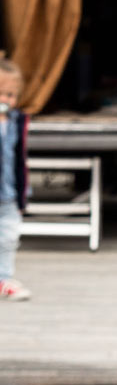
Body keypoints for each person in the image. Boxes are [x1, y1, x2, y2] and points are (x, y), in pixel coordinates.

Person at [0, 56, 30, 302]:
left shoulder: (17, 122)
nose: (5, 100)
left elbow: (20, 160)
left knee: (8, 238)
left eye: (11, 95)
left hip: (8, 194)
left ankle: (4, 278)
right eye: (0, 94)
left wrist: (22, 195)